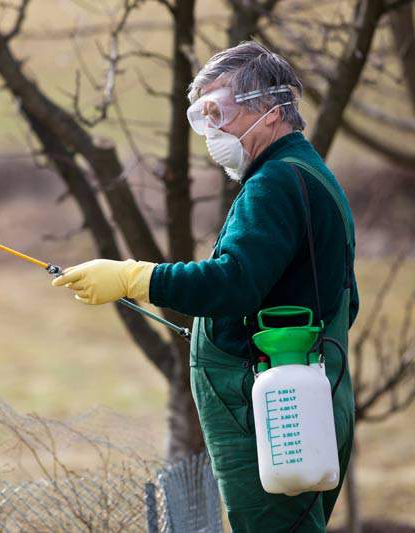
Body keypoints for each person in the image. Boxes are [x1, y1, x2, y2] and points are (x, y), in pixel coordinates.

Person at [52, 41, 358, 532]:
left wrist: (135, 277)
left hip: (273, 409)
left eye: (222, 112)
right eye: (204, 115)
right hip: (300, 397)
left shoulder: (275, 183)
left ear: (272, 110)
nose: (213, 130)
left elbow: (232, 283)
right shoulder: (304, 173)